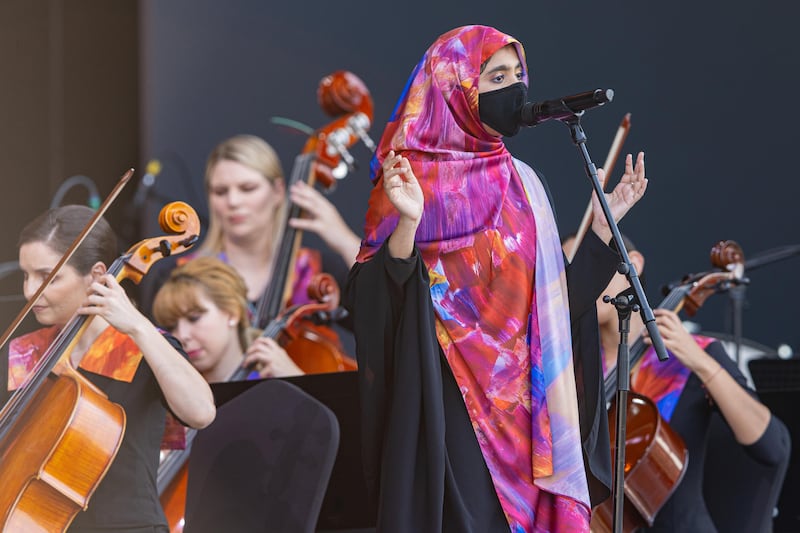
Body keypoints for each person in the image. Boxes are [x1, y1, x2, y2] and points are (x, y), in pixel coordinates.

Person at [344, 25, 648, 532]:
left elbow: (555, 312)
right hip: (450, 414)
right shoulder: (405, 177)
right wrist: (409, 226)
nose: (516, 88)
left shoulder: (525, 183)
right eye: (496, 76)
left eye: (518, 74)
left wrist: (599, 233)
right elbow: (373, 305)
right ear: (455, 86)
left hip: (529, 418)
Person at [1, 205, 216, 532]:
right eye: (26, 276)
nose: (31, 291)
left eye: (48, 277)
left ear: (98, 275)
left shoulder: (141, 346)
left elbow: (201, 412)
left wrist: (138, 327)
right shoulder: (23, 354)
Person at [562, 233, 791, 532]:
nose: (582, 279)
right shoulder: (566, 366)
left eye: (591, 263)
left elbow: (773, 448)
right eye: (568, 272)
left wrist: (702, 363)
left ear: (633, 264)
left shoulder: (696, 354)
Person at [151, 256, 303, 383]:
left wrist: (298, 382)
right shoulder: (173, 396)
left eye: (194, 318)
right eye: (172, 326)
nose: (182, 336)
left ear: (232, 312)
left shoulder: (273, 381)